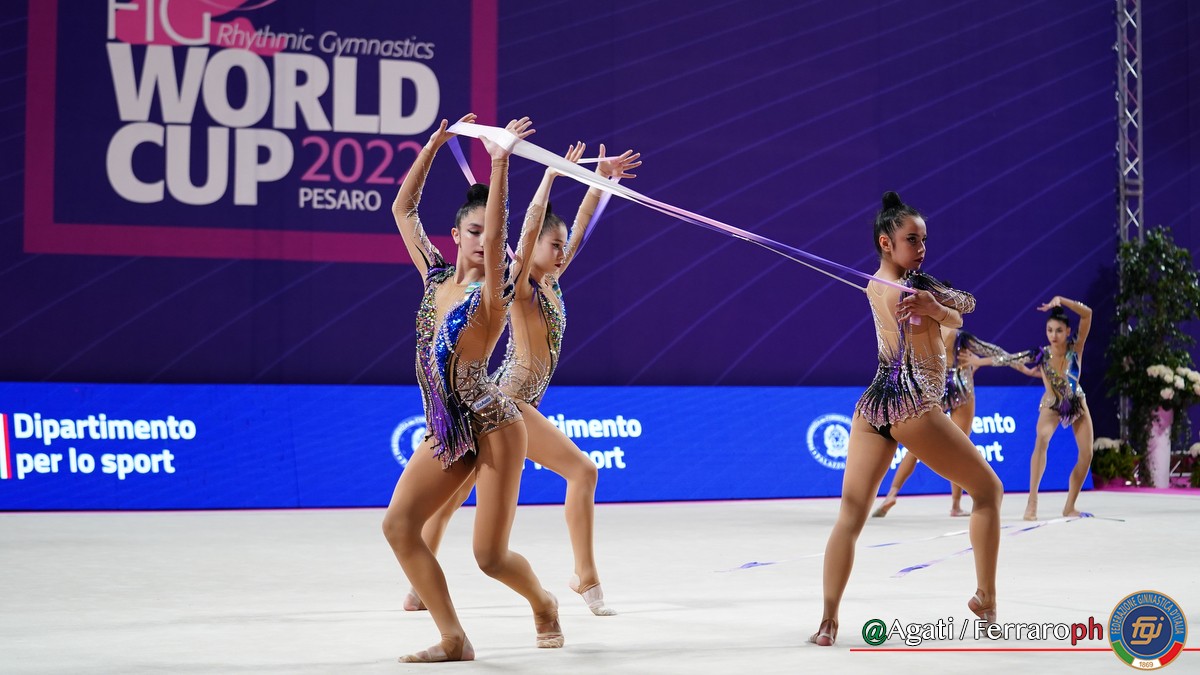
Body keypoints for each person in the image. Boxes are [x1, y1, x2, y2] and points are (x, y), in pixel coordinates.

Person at [405, 142, 641, 618]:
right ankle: (585, 576)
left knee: (454, 495)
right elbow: (527, 232)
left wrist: (602, 180)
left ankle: (416, 591)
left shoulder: (551, 281)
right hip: (509, 399)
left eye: (562, 247)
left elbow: (581, 227)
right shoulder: (521, 286)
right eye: (553, 246)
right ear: (531, 250)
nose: (561, 252)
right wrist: (551, 178)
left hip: (517, 399)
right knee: (583, 471)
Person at [382, 114, 563, 663]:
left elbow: (505, 231)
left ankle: (544, 602)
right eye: (475, 232)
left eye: (493, 234)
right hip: (448, 428)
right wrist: (435, 145)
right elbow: (403, 210)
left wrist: (500, 162)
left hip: (495, 426)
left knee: (490, 557)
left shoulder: (495, 294)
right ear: (456, 235)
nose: (486, 241)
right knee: (399, 526)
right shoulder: (435, 277)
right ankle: (454, 638)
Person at [810, 191, 1003, 646]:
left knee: (850, 516)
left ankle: (828, 622)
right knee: (989, 492)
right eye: (912, 240)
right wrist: (935, 307)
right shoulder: (913, 288)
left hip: (873, 407)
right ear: (886, 242)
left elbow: (959, 311)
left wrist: (935, 308)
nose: (921, 248)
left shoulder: (878, 285)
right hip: (912, 406)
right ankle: (986, 598)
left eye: (924, 240)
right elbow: (967, 305)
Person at [872, 326, 1025, 518]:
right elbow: (998, 353)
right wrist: (991, 362)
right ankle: (955, 505)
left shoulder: (924, 334)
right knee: (959, 447)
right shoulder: (961, 337)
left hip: (935, 389)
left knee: (915, 448)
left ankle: (892, 493)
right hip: (961, 388)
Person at [1021, 299, 1093, 520]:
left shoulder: (1075, 348)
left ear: (1068, 331)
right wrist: (980, 361)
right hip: (1052, 404)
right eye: (1050, 330)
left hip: (1076, 402)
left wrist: (1061, 299)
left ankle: (1069, 506)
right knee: (1042, 438)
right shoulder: (1042, 354)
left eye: (1059, 330)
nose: (1054, 335)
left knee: (1087, 454)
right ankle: (1032, 502)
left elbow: (1087, 313)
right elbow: (1006, 358)